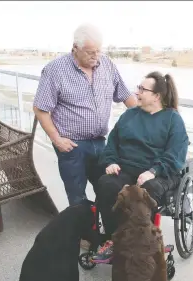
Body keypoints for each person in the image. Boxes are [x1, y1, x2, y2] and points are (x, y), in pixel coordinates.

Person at [33, 23, 137, 207]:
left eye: (98, 50)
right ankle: (81, 233)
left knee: (108, 191)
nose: (96, 56)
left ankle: (102, 231)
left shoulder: (107, 64)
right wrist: (57, 139)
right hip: (72, 146)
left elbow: (126, 96)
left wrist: (148, 118)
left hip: (101, 143)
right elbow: (41, 108)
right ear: (75, 48)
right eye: (90, 52)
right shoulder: (55, 70)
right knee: (77, 198)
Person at [91, 71, 189, 263]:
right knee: (106, 184)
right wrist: (111, 161)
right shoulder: (129, 115)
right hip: (127, 168)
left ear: (157, 96)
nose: (137, 92)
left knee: (146, 192)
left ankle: (141, 242)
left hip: (160, 172)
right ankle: (114, 239)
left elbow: (175, 153)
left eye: (142, 89)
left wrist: (153, 171)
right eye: (138, 88)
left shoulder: (172, 120)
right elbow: (112, 142)